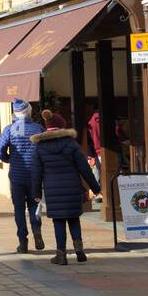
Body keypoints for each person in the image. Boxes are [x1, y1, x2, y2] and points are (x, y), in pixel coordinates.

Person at [32, 111, 100, 265]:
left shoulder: (40, 147)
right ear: (62, 126)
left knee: (59, 221)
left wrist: (35, 192)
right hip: (72, 188)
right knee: (74, 218)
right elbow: (85, 168)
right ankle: (79, 250)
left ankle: (61, 255)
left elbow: (36, 172)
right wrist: (95, 188)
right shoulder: (71, 144)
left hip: (52, 189)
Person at [0, 99, 45, 253]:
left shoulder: (10, 129)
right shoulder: (39, 128)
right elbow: (45, 151)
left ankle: (23, 241)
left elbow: (0, 151)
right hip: (35, 175)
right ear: (29, 112)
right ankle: (37, 231)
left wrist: (9, 159)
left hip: (17, 175)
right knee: (34, 205)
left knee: (18, 208)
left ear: (15, 113)